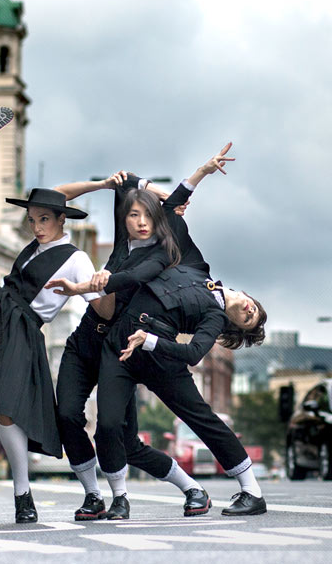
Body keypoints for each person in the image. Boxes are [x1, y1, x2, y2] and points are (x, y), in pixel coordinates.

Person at [48, 148, 232, 521]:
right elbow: (120, 182)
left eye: (149, 215)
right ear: (126, 219)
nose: (142, 222)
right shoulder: (122, 242)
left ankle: (190, 488)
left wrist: (90, 286)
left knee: (123, 440)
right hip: (86, 341)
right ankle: (94, 496)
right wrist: (124, 185)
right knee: (67, 414)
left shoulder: (161, 258)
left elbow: (129, 276)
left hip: (119, 350)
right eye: (135, 215)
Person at [0, 107, 107, 524]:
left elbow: (103, 306)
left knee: (5, 408)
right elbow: (59, 193)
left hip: (23, 332)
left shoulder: (76, 259)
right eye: (32, 219)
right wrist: (104, 183)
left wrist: (89, 288)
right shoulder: (40, 239)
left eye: (44, 220)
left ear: (62, 221)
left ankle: (23, 496)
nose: (36, 227)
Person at [90, 263, 267, 518]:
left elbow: (194, 354)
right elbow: (166, 240)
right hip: (120, 347)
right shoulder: (199, 269)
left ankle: (253, 491)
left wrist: (149, 341)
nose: (250, 311)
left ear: (234, 325)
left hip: (160, 357)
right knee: (108, 424)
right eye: (255, 309)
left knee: (201, 418)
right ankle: (120, 498)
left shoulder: (215, 317)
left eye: (248, 320)